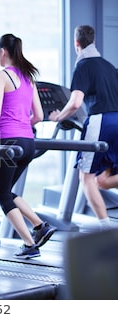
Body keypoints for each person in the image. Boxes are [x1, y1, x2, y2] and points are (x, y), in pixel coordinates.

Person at [0, 34, 56, 259]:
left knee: (3, 196)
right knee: (8, 191)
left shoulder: (1, 76)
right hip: (27, 143)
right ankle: (39, 226)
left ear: (3, 52)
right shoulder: (28, 77)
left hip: (9, 143)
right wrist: (23, 125)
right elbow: (39, 115)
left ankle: (29, 244)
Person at [49, 25, 118, 231]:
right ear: (93, 41)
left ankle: (106, 230)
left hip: (100, 121)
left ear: (76, 43)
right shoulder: (108, 66)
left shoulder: (83, 65)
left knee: (86, 177)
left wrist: (58, 117)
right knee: (103, 180)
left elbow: (76, 102)